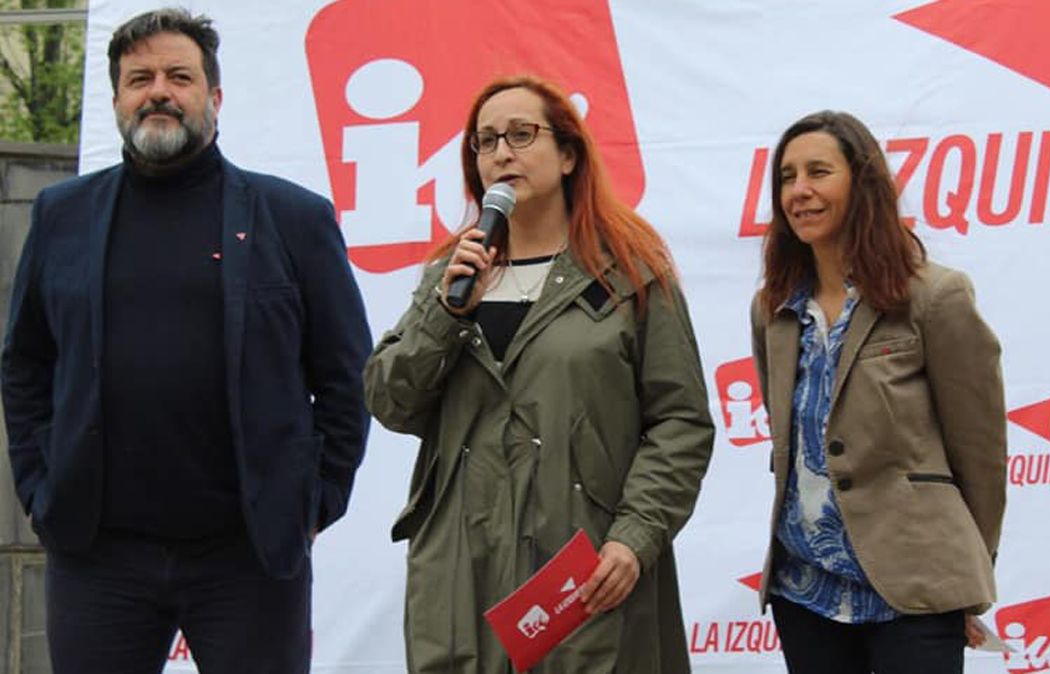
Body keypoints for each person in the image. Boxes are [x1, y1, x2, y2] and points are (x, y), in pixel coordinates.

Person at [0, 8, 371, 673]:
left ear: (215, 97)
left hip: (247, 557)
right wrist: (38, 486)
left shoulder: (293, 219)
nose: (159, 91)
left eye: (179, 75)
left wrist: (312, 501)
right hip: (97, 556)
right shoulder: (63, 216)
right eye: (139, 78)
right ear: (117, 98)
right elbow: (25, 363)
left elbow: (346, 377)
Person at [364, 74, 714, 673]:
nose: (502, 153)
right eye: (486, 141)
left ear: (569, 154)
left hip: (584, 567)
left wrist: (635, 536)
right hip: (463, 571)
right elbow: (391, 400)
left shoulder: (629, 271)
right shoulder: (452, 275)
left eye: (522, 135)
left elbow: (679, 422)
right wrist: (444, 314)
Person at [750, 110, 1006, 674]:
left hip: (915, 586)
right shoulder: (774, 308)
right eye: (788, 177)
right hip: (805, 588)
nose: (801, 191)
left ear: (862, 184)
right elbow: (788, 437)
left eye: (819, 171)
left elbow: (980, 453)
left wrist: (966, 573)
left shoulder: (934, 297)